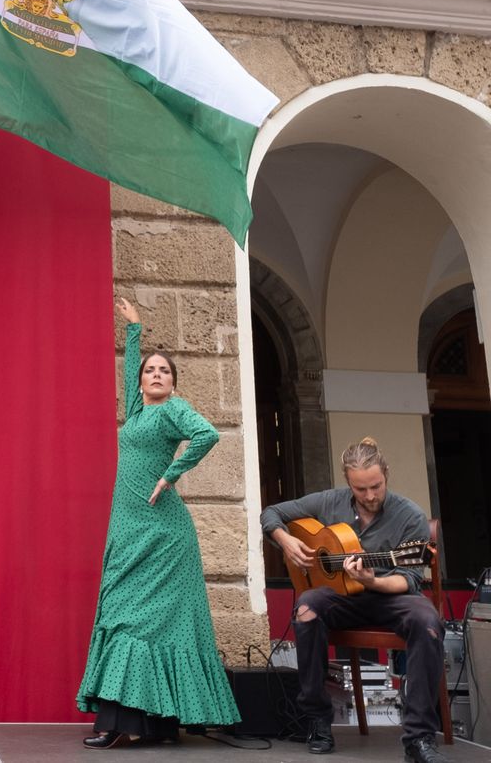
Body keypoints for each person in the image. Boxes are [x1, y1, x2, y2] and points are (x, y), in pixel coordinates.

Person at [77, 298, 239, 747]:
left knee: (138, 622)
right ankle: (160, 725)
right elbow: (129, 374)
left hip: (163, 534)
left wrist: (170, 475)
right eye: (151, 371)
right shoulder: (137, 411)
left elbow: (206, 433)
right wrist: (134, 331)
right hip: (128, 530)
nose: (155, 376)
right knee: (125, 615)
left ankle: (122, 724)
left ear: (173, 382)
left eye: (164, 371)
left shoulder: (172, 409)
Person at [263, 437, 445, 762]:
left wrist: (372, 579)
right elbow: (272, 513)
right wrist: (285, 541)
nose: (370, 496)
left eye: (376, 486)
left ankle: (419, 739)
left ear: (386, 474)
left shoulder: (410, 516)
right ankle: (318, 720)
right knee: (306, 609)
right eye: (361, 490)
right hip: (341, 598)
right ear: (348, 482)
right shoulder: (329, 502)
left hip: (390, 596)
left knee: (428, 622)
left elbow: (410, 580)